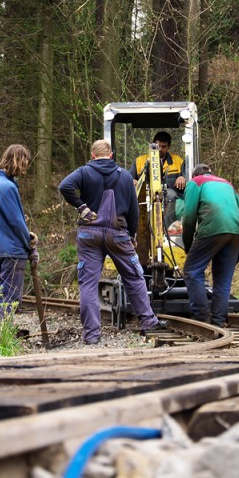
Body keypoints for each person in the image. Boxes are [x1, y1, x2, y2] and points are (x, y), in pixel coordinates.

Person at [59, 139, 167, 345]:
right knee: (134, 278)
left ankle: (92, 335)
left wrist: (81, 207)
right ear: (111, 155)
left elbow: (65, 186)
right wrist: (133, 235)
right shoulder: (125, 176)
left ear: (92, 155)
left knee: (88, 284)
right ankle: (148, 322)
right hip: (118, 234)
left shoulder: (83, 172)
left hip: (89, 234)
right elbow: (134, 211)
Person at [181, 163, 239, 328]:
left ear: (194, 175)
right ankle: (218, 321)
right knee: (223, 280)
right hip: (237, 231)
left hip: (214, 227)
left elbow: (188, 216)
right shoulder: (227, 184)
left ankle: (202, 321)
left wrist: (188, 245)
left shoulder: (195, 182)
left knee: (192, 271)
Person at [0, 144, 37, 317]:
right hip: (12, 249)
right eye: (25, 162)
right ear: (18, 161)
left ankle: (0, 337)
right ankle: (3, 340)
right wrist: (29, 244)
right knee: (10, 298)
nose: (26, 166)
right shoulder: (7, 187)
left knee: (2, 294)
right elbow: (16, 222)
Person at [129, 131, 187, 225]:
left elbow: (187, 178)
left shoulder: (178, 161)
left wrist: (182, 178)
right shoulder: (140, 161)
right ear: (153, 145)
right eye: (158, 145)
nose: (160, 149)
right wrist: (133, 180)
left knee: (171, 195)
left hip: (170, 199)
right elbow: (129, 178)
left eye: (163, 146)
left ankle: (167, 228)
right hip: (145, 198)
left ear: (168, 147)